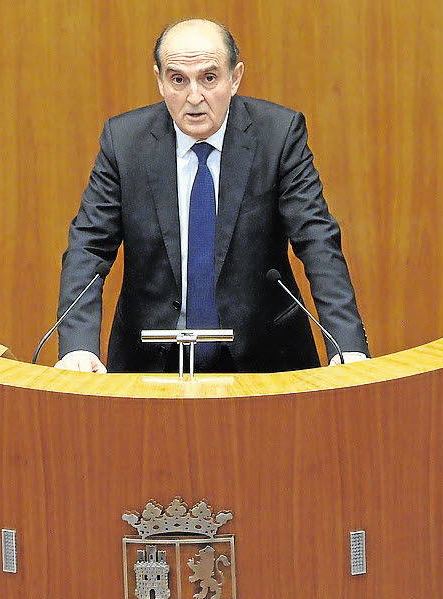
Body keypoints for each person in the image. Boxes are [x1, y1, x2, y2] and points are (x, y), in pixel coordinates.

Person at [55, 18, 368, 373]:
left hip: (265, 355)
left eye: (209, 78)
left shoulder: (278, 135)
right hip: (152, 356)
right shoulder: (125, 141)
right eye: (178, 80)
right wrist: (77, 346)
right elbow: (90, 245)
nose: (194, 97)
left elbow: (316, 240)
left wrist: (347, 346)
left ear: (234, 78)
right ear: (159, 80)